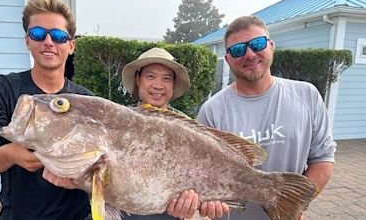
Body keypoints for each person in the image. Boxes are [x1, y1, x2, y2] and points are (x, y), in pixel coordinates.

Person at [196, 15, 336, 219]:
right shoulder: (211, 111)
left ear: (271, 46)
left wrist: (293, 206)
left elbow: (323, 159)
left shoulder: (307, 95)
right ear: (227, 59)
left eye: (257, 43)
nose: (250, 54)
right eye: (238, 50)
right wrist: (205, 203)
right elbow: (201, 176)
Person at [0, 0, 93, 219]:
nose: (48, 42)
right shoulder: (2, 89)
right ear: (27, 40)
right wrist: (10, 154)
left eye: (58, 36)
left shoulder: (86, 100)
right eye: (38, 34)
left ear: (71, 45)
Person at [121, 47, 230, 219]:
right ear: (138, 79)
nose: (158, 85)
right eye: (150, 76)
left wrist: (204, 206)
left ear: (173, 85)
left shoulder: (190, 130)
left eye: (166, 78)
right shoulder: (119, 121)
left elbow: (204, 180)